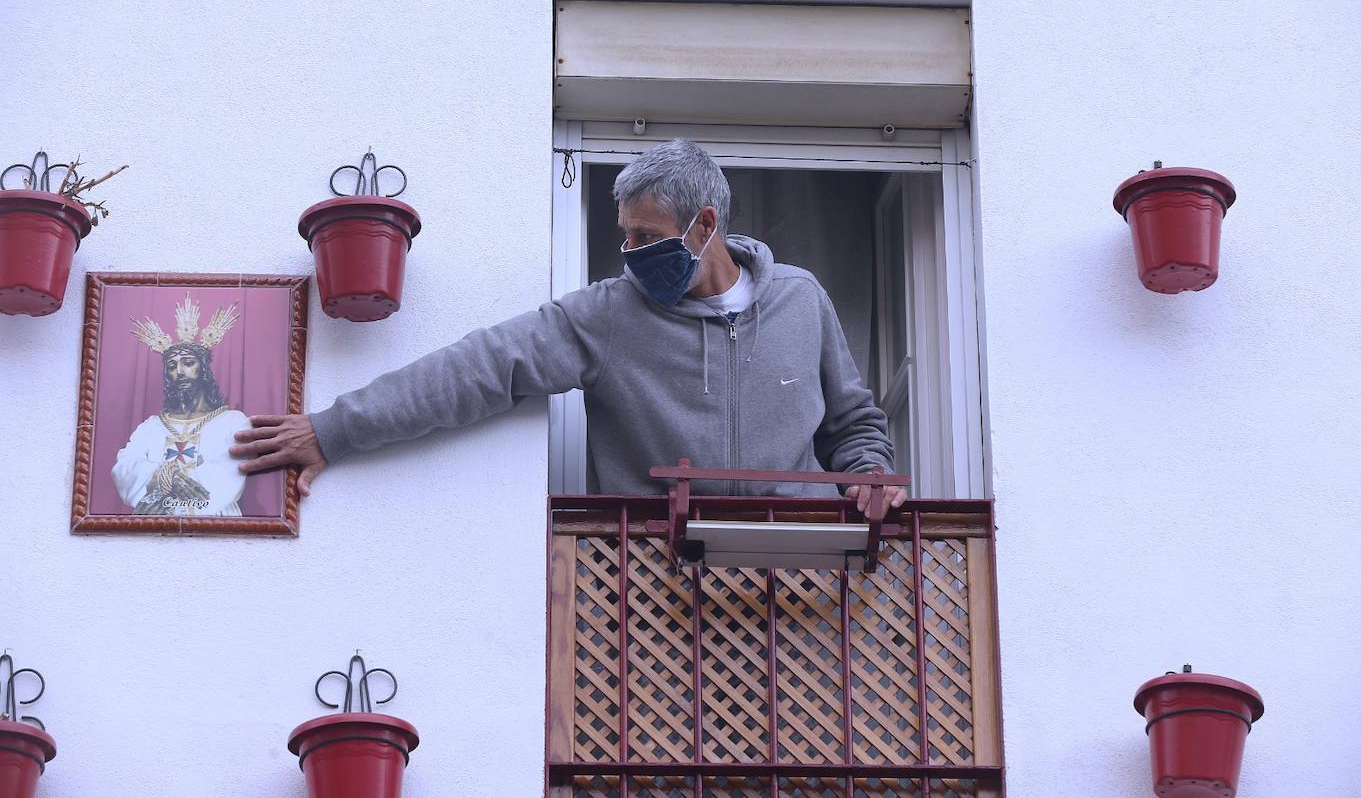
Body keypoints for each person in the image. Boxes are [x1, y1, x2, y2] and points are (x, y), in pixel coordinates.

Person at [232, 140, 907, 517]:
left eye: (648, 236)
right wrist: (334, 429)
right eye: (626, 235)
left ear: (705, 226)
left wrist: (870, 474)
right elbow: (480, 367)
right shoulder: (609, 315)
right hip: (650, 592)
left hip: (791, 587)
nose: (633, 252)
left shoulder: (802, 301)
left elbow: (852, 428)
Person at [115, 297, 250, 516]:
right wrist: (166, 477)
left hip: (216, 528)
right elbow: (123, 469)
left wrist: (166, 483)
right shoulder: (151, 427)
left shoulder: (233, 422)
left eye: (188, 363)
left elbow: (229, 473)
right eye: (172, 366)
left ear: (202, 369)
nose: (180, 371)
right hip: (156, 528)